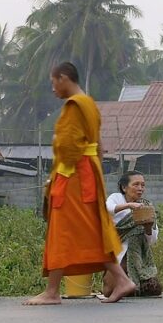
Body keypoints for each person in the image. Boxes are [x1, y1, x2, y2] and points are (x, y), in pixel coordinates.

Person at [26, 62, 134, 305]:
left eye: (53, 82)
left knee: (62, 229)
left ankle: (52, 292)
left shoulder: (75, 105)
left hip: (73, 174)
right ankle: (121, 279)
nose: (53, 89)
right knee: (89, 231)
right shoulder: (90, 104)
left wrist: (57, 169)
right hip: (87, 172)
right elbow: (100, 146)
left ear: (63, 78)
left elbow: (69, 147)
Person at [104, 171, 162, 297]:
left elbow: (152, 240)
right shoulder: (116, 198)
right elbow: (107, 208)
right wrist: (129, 205)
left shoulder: (146, 206)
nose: (140, 188)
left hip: (137, 254)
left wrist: (147, 228)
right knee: (108, 291)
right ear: (124, 187)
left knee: (151, 289)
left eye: (143, 185)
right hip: (118, 251)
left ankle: (135, 284)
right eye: (136, 184)